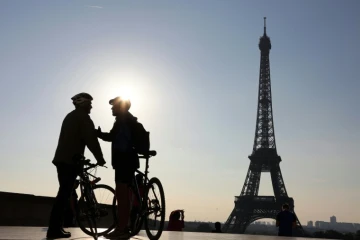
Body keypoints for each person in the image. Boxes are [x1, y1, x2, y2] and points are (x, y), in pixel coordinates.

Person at [47, 93, 106, 239]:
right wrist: (100, 158)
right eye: (89, 103)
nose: (91, 106)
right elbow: (90, 139)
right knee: (64, 195)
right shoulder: (83, 117)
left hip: (62, 159)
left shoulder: (70, 116)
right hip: (70, 161)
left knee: (64, 194)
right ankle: (54, 230)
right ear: (83, 103)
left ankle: (56, 228)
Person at [98, 96, 147, 239]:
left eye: (114, 106)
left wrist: (98, 134)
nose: (112, 108)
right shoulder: (129, 119)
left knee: (122, 197)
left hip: (123, 161)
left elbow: (111, 137)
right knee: (125, 195)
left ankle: (122, 229)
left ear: (121, 107)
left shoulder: (122, 120)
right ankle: (124, 227)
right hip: (130, 160)